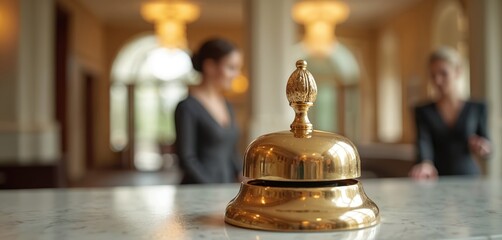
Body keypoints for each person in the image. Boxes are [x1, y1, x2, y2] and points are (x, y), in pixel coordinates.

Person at [409, 47, 491, 180]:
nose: (438, 81)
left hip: (470, 179)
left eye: (443, 73)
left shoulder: (477, 108)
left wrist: (483, 146)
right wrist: (425, 163)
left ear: (458, 72)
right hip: (435, 179)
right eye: (433, 75)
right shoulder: (423, 111)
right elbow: (423, 141)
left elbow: (487, 145)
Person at [174, 38, 243, 184]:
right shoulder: (187, 107)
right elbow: (186, 159)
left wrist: (243, 178)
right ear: (210, 66)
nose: (236, 75)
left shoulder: (227, 105)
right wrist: (212, 189)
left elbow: (230, 151)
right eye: (231, 68)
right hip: (198, 192)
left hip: (226, 189)